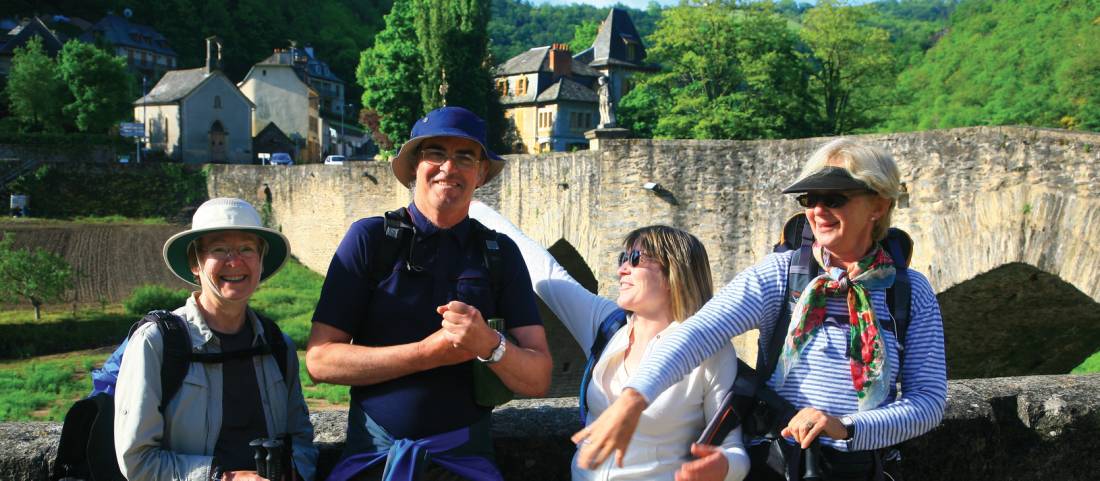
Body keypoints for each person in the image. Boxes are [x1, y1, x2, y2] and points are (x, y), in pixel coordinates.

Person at [573, 139, 948, 480]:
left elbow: (928, 402)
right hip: (776, 466)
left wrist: (846, 426)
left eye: (834, 198)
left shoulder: (909, 292)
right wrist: (635, 397)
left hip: (858, 468)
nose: (818, 210)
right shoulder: (784, 275)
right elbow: (698, 332)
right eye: (809, 198)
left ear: (879, 205)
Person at [306, 106, 553, 480]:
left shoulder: (499, 253)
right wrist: (426, 354)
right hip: (375, 460)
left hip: (465, 464)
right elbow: (321, 361)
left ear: (482, 172)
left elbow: (538, 378)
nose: (449, 167)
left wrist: (489, 343)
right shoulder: (371, 240)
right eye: (435, 152)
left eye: (465, 156)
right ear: (414, 166)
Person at [470, 202, 750, 481]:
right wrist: (474, 206)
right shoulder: (609, 325)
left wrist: (721, 467)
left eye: (636, 258)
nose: (622, 269)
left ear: (673, 273)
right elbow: (546, 272)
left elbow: (734, 449)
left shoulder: (710, 349)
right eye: (622, 259)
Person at [114, 197, 318, 481]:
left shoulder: (276, 344)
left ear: (260, 260)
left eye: (247, 249)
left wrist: (294, 471)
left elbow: (300, 438)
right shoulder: (158, 343)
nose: (234, 262)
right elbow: (137, 460)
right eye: (219, 249)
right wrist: (225, 478)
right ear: (194, 263)